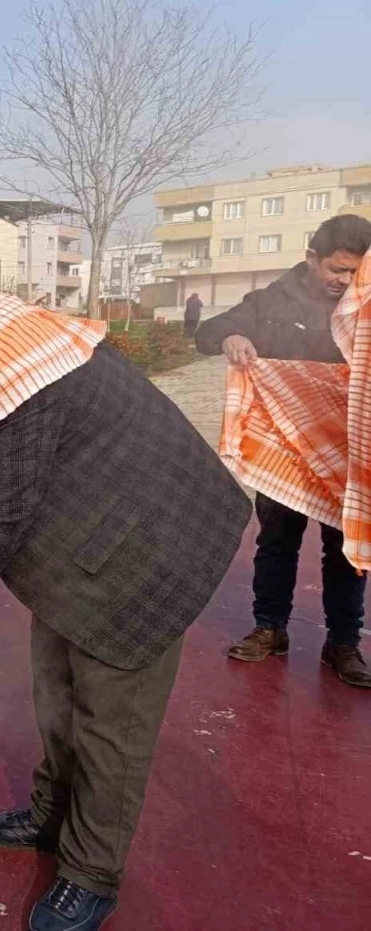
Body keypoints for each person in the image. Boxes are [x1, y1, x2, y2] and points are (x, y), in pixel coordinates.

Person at [0, 248, 249, 931]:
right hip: (83, 538)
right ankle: (50, 811)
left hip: (144, 548)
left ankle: (90, 872)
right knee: (57, 691)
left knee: (109, 725)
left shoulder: (12, 357)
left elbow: (2, 509)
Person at [196, 214, 371, 687]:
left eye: (354, 272)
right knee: (277, 542)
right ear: (312, 257)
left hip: (346, 450)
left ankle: (343, 643)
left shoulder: (365, 306)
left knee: (346, 550)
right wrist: (231, 338)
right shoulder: (272, 300)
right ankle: (269, 628)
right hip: (284, 450)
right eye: (337, 269)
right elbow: (209, 331)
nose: (344, 281)